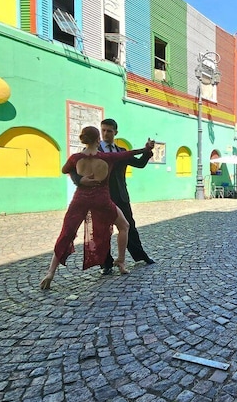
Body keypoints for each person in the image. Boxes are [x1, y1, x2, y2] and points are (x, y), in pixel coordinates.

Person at [41, 126, 154, 290]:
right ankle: (121, 262)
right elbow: (128, 154)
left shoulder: (76, 157)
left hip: (80, 200)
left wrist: (81, 178)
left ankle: (51, 272)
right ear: (98, 140)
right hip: (102, 200)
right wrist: (146, 148)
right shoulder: (107, 157)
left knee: (66, 234)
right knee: (125, 226)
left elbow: (65, 169)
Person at [98, 118, 155, 273]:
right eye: (103, 130)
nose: (105, 133)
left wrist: (148, 151)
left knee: (130, 228)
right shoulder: (95, 151)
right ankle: (106, 264)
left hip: (121, 197)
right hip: (102, 198)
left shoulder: (121, 152)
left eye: (109, 131)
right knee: (103, 231)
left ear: (115, 132)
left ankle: (141, 256)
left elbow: (140, 164)